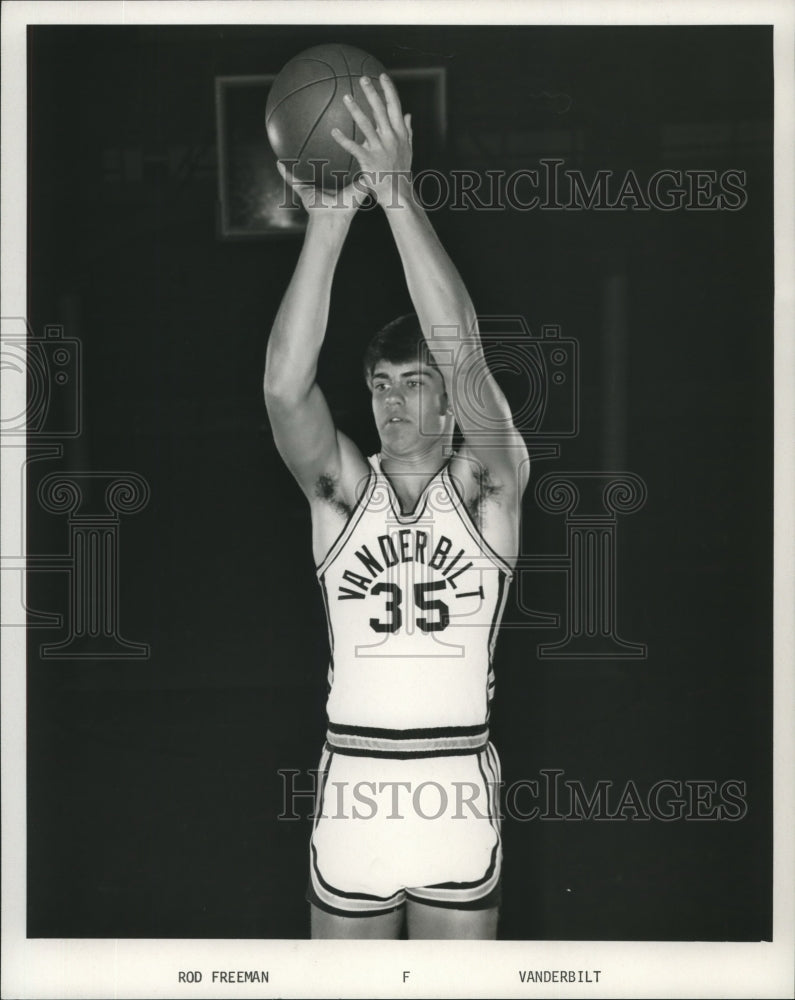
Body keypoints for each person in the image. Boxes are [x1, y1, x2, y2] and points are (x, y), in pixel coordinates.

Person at [264, 72, 529, 939]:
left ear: (448, 406)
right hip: (353, 791)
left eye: (415, 385)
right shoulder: (342, 492)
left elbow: (465, 357)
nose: (391, 401)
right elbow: (282, 389)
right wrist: (331, 224)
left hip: (454, 785)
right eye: (380, 384)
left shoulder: (489, 483)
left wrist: (397, 194)